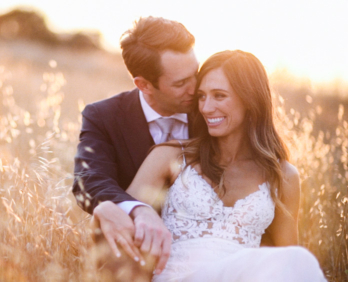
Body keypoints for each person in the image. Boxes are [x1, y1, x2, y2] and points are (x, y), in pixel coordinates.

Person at [98, 50, 326, 281]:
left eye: (219, 96)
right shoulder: (171, 156)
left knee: (298, 259)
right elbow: (120, 218)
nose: (206, 108)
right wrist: (103, 208)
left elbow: (284, 258)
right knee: (301, 259)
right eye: (202, 96)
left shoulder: (283, 175)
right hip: (180, 277)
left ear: (250, 99)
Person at [73, 16, 199, 277]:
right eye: (180, 83)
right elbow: (88, 180)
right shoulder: (103, 116)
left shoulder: (214, 108)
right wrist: (139, 209)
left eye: (195, 74)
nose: (196, 89)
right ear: (143, 85)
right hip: (141, 257)